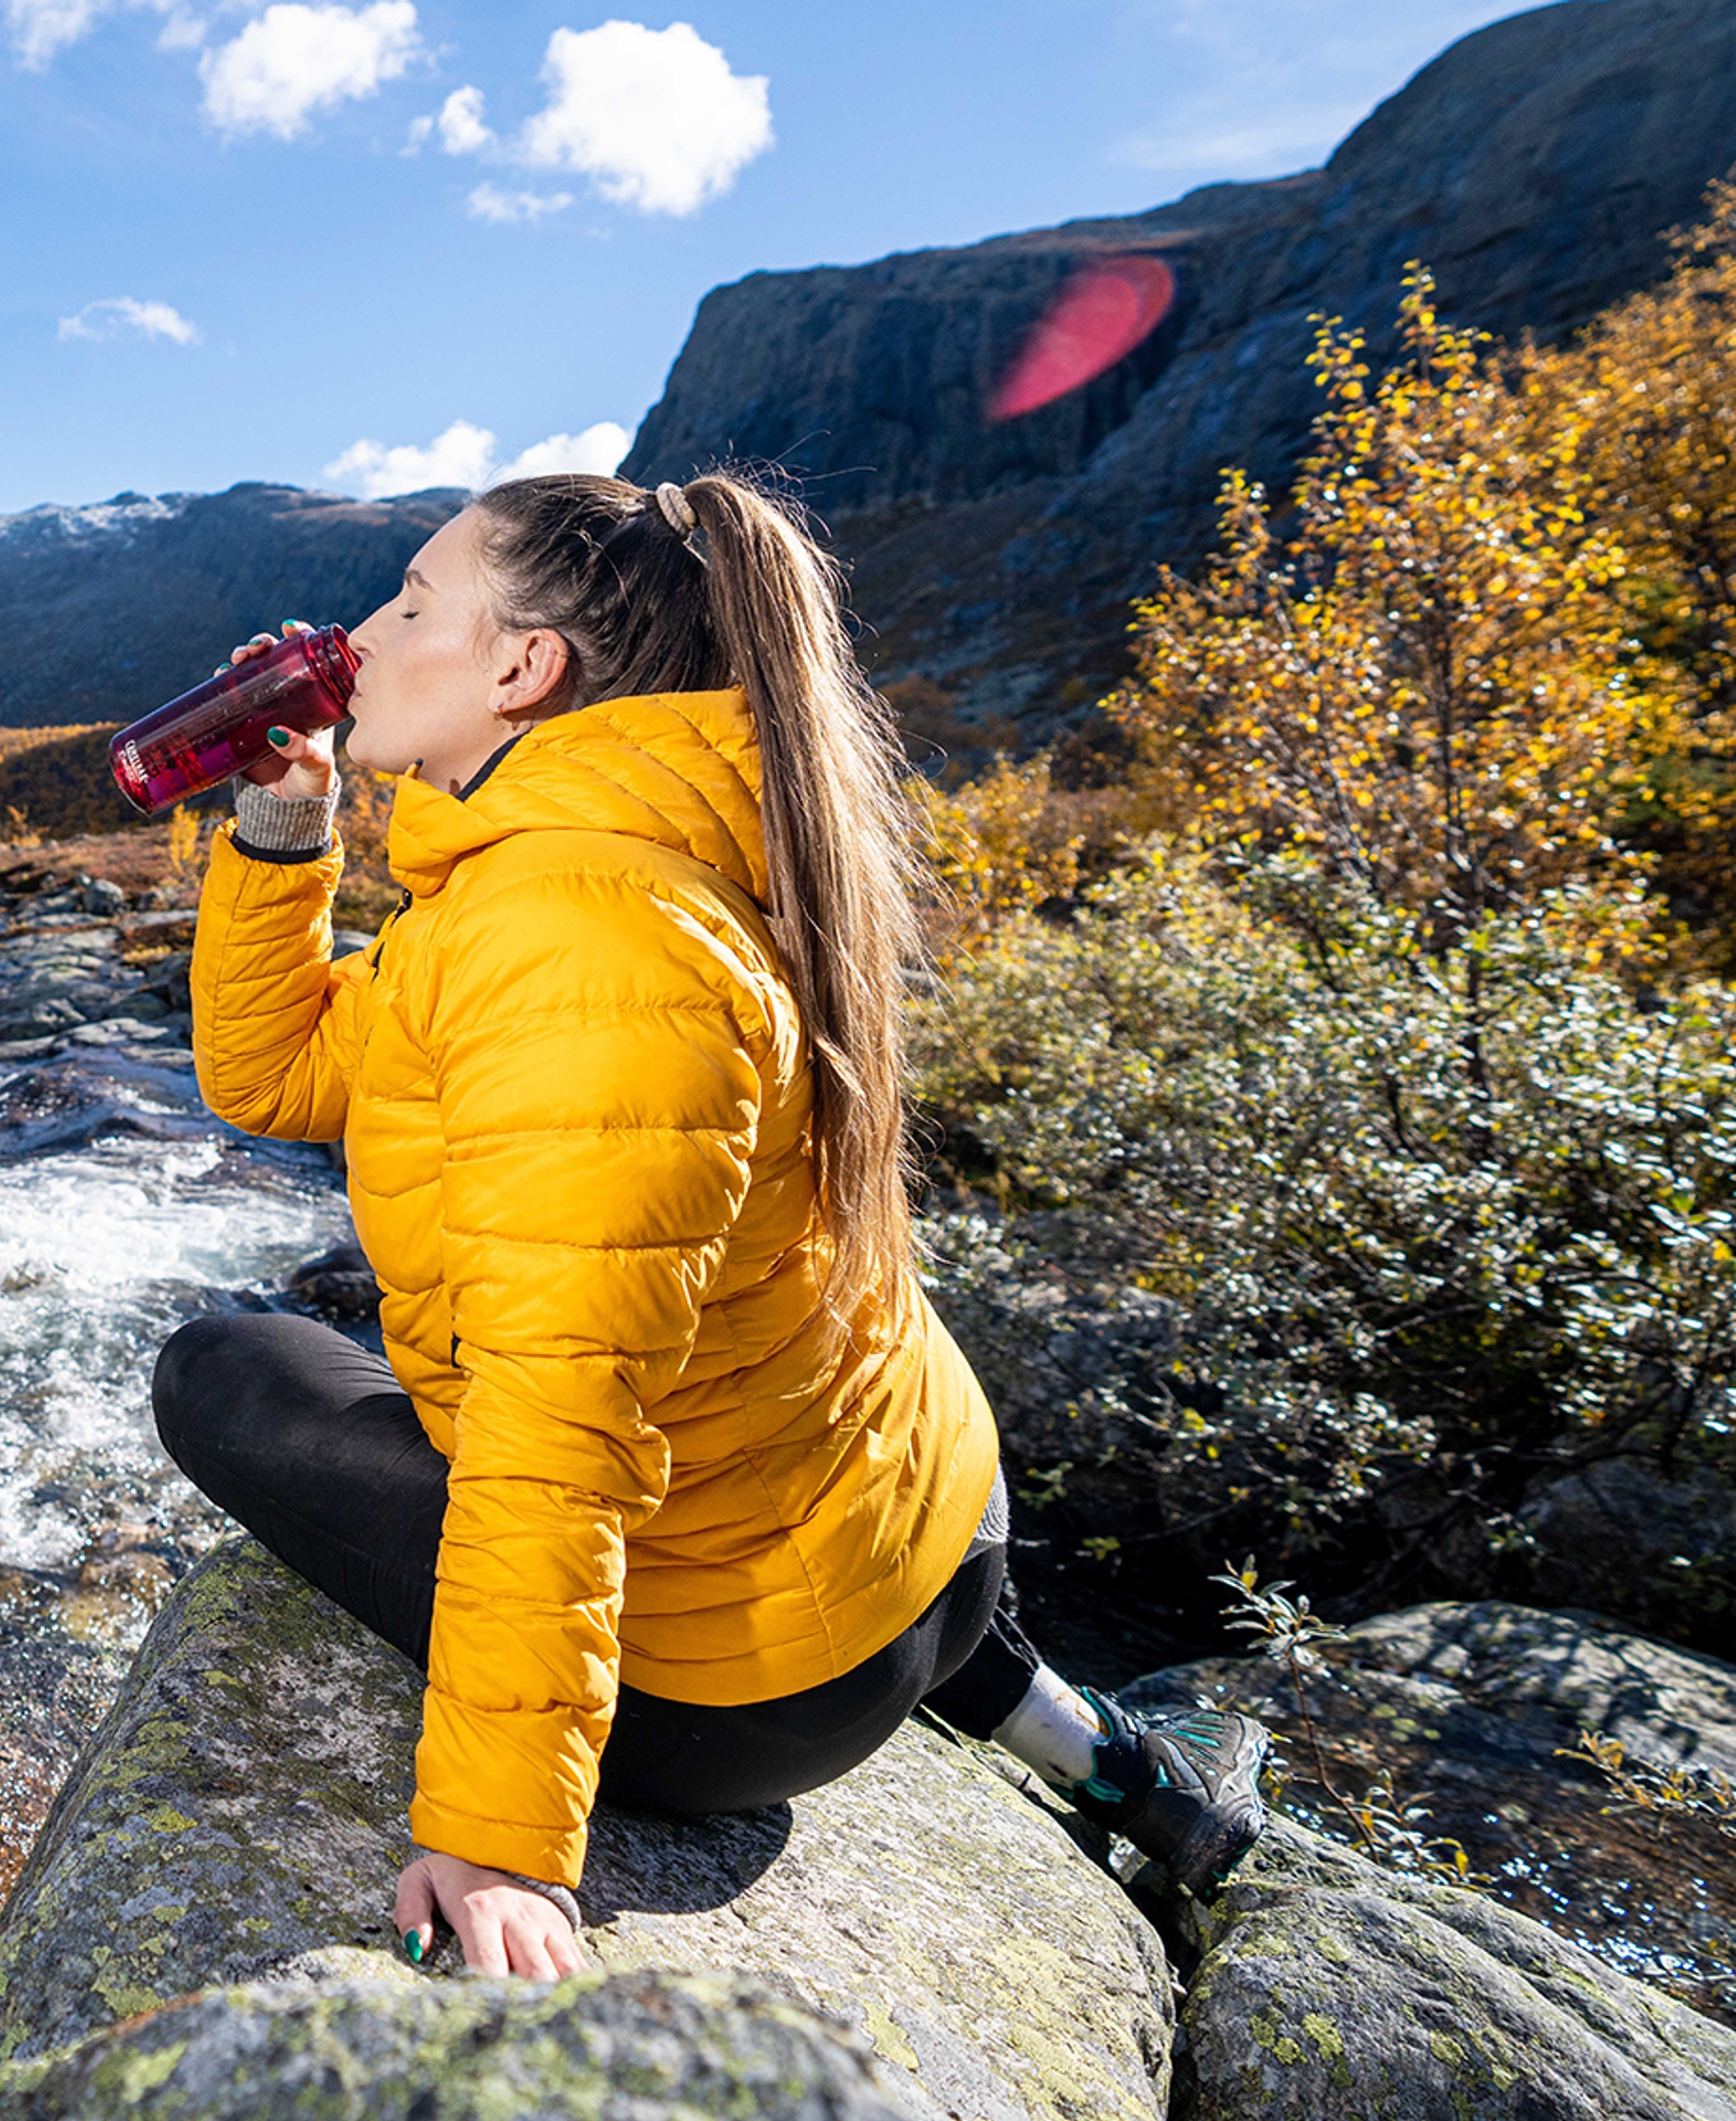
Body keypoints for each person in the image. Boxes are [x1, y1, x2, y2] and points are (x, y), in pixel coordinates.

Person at [155, 470, 1268, 1980]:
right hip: (942, 1535)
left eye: (413, 602)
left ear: (521, 672)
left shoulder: (579, 938)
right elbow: (281, 1070)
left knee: (229, 1371)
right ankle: (1087, 1744)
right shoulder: (611, 862)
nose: (359, 633)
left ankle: (1014, 1715)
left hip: (749, 1708)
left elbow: (562, 1423)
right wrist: (288, 828)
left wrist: (503, 1838)